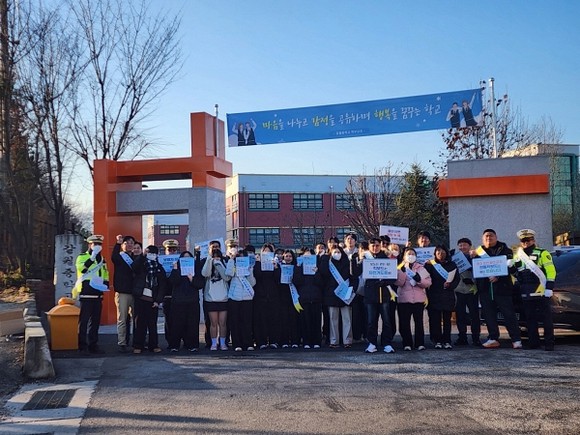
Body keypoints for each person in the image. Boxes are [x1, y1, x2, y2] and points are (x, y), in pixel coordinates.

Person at [471, 229, 522, 349]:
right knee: (489, 315)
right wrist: (471, 256)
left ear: (496, 237)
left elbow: (510, 267)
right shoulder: (478, 252)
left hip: (502, 289)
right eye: (486, 237)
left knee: (509, 314)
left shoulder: (506, 251)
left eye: (491, 236)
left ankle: (516, 339)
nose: (489, 238)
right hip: (485, 289)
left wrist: (498, 276)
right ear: (483, 239)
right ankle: (493, 338)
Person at [513, 229, 556, 351]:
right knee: (530, 318)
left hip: (541, 290)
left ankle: (549, 343)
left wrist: (549, 287)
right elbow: (517, 274)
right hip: (525, 291)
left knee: (546, 318)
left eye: (528, 240)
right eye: (523, 240)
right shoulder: (518, 256)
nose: (526, 242)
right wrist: (510, 267)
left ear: (533, 240)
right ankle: (533, 343)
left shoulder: (542, 253)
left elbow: (551, 271)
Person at [354, 237, 398, 353]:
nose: (375, 247)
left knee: (386, 320)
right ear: (369, 247)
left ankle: (387, 343)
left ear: (380, 246)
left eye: (377, 245)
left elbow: (393, 277)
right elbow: (356, 273)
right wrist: (360, 260)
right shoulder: (365, 259)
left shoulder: (386, 258)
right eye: (372, 245)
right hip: (370, 294)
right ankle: (372, 343)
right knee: (371, 321)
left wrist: (384, 282)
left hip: (384, 293)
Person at [74, 235, 109, 354]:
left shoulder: (102, 259)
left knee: (95, 321)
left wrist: (106, 284)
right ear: (90, 245)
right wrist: (92, 256)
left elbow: (105, 273)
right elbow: (83, 269)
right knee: (83, 321)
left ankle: (93, 345)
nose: (97, 246)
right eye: (95, 244)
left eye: (99, 244)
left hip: (98, 294)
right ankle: (82, 345)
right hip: (86, 293)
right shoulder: (82, 257)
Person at [318, 245, 355, 349]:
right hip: (332, 294)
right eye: (335, 252)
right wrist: (325, 258)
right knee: (333, 319)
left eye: (339, 252)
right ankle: (334, 340)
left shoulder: (347, 262)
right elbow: (323, 273)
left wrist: (352, 288)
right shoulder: (328, 263)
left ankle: (347, 340)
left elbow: (352, 276)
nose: (337, 254)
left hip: (345, 293)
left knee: (347, 319)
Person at [131, 245, 167, 354]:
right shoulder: (142, 265)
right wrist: (142, 255)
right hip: (140, 297)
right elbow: (134, 267)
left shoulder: (159, 268)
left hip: (153, 300)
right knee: (139, 323)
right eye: (149, 253)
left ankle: (154, 345)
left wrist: (158, 300)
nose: (151, 255)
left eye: (153, 253)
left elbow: (162, 285)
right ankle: (138, 345)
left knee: (152, 324)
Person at [424, 245, 460, 349]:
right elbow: (425, 277)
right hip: (434, 295)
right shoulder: (431, 265)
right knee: (435, 320)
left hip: (448, 295)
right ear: (435, 254)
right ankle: (437, 340)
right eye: (438, 252)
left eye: (443, 252)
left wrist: (450, 285)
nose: (440, 254)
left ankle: (447, 340)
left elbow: (456, 279)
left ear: (446, 253)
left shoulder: (452, 264)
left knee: (447, 320)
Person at [396, 247, 432, 351]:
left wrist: (419, 280)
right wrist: (402, 273)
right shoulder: (400, 268)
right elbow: (398, 283)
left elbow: (428, 282)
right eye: (408, 254)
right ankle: (407, 343)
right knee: (404, 323)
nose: (410, 256)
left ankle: (419, 343)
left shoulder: (421, 268)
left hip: (418, 299)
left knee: (419, 322)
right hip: (404, 299)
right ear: (404, 256)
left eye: (413, 254)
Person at [168, 251, 203, 352]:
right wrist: (175, 269)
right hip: (178, 301)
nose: (186, 260)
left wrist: (192, 279)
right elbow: (173, 282)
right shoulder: (177, 268)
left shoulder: (196, 270)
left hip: (192, 301)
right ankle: (174, 345)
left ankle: (192, 345)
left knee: (192, 324)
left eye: (188, 258)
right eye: (184, 258)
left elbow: (200, 284)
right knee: (176, 324)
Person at [226, 249, 256, 351]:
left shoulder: (248, 268)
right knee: (235, 321)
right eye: (239, 257)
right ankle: (237, 343)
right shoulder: (233, 266)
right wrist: (231, 259)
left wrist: (250, 270)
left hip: (247, 297)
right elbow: (228, 274)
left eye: (243, 257)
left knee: (247, 321)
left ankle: (248, 343)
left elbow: (252, 283)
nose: (241, 259)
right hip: (234, 297)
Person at [202, 243, 231, 350]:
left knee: (223, 322)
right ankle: (213, 343)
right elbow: (205, 273)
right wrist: (210, 259)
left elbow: (227, 277)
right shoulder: (207, 261)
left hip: (223, 297)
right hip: (211, 298)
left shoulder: (224, 261)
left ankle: (223, 342)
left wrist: (219, 264)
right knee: (213, 323)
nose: (216, 257)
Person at [453, 238, 481, 346]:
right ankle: (462, 337)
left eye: (464, 245)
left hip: (472, 290)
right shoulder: (455, 259)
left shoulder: (475, 257)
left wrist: (473, 280)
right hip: (459, 289)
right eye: (460, 245)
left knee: (474, 315)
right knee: (460, 315)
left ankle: (476, 338)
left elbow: (481, 271)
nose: (462, 247)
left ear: (469, 246)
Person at [253, 243, 281, 349]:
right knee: (261, 319)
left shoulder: (275, 263)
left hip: (273, 295)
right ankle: (261, 341)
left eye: (269, 252)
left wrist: (276, 267)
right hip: (260, 295)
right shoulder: (258, 263)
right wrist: (258, 263)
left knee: (273, 318)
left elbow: (278, 279)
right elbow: (257, 275)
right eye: (265, 251)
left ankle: (273, 340)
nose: (267, 253)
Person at [293, 247, 322, 349]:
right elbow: (296, 282)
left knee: (316, 321)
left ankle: (317, 341)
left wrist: (317, 272)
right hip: (304, 298)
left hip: (316, 298)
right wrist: (299, 269)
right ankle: (306, 341)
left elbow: (320, 283)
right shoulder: (298, 267)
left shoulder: (317, 267)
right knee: (305, 321)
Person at [111, 234, 135, 353]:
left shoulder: (136, 257)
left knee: (136, 319)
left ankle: (136, 341)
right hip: (122, 292)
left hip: (135, 293)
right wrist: (118, 243)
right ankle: (122, 342)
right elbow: (113, 257)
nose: (129, 245)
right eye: (126, 243)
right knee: (122, 319)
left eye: (131, 243)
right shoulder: (120, 257)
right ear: (122, 245)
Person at [274, 249, 301, 348]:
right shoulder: (280, 267)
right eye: (286, 256)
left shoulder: (296, 267)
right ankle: (284, 341)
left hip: (294, 296)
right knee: (284, 319)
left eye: (290, 256)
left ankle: (295, 341)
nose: (288, 258)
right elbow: (276, 281)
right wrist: (276, 269)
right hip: (283, 296)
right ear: (283, 257)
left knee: (294, 319)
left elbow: (299, 281)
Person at [343, 233, 366, 342]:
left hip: (361, 286)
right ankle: (353, 335)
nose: (350, 240)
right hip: (347, 286)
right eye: (348, 239)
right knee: (351, 313)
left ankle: (362, 334)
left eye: (352, 239)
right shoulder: (342, 253)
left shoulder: (360, 252)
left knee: (363, 312)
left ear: (355, 241)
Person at [161, 238, 179, 348]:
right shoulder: (161, 262)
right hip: (167, 295)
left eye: (174, 250)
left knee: (180, 319)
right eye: (169, 249)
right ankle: (170, 342)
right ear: (165, 251)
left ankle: (181, 341)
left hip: (179, 295)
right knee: (168, 320)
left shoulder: (180, 262)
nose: (172, 252)